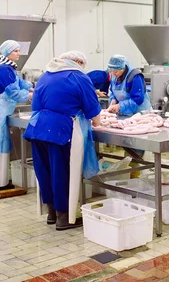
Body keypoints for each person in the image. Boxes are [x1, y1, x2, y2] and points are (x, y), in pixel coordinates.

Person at [24, 51, 101, 230]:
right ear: (79, 62)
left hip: (38, 128)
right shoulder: (78, 77)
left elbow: (36, 106)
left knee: (46, 172)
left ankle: (52, 213)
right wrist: (97, 121)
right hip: (62, 130)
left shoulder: (45, 76)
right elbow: (93, 111)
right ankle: (64, 218)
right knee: (63, 173)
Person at [0, 40, 33, 189]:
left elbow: (21, 84)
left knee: (2, 145)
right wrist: (32, 96)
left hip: (3, 110)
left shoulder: (9, 68)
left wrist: (35, 89)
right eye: (16, 51)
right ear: (7, 53)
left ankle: (1, 180)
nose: (19, 54)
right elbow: (14, 92)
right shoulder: (3, 69)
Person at [106, 54, 151, 177]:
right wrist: (113, 101)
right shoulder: (115, 76)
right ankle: (130, 174)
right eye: (112, 71)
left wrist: (120, 106)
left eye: (116, 71)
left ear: (123, 67)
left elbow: (138, 99)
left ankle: (135, 175)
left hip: (139, 115)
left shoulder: (134, 76)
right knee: (127, 146)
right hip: (125, 116)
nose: (114, 73)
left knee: (136, 148)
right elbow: (113, 92)